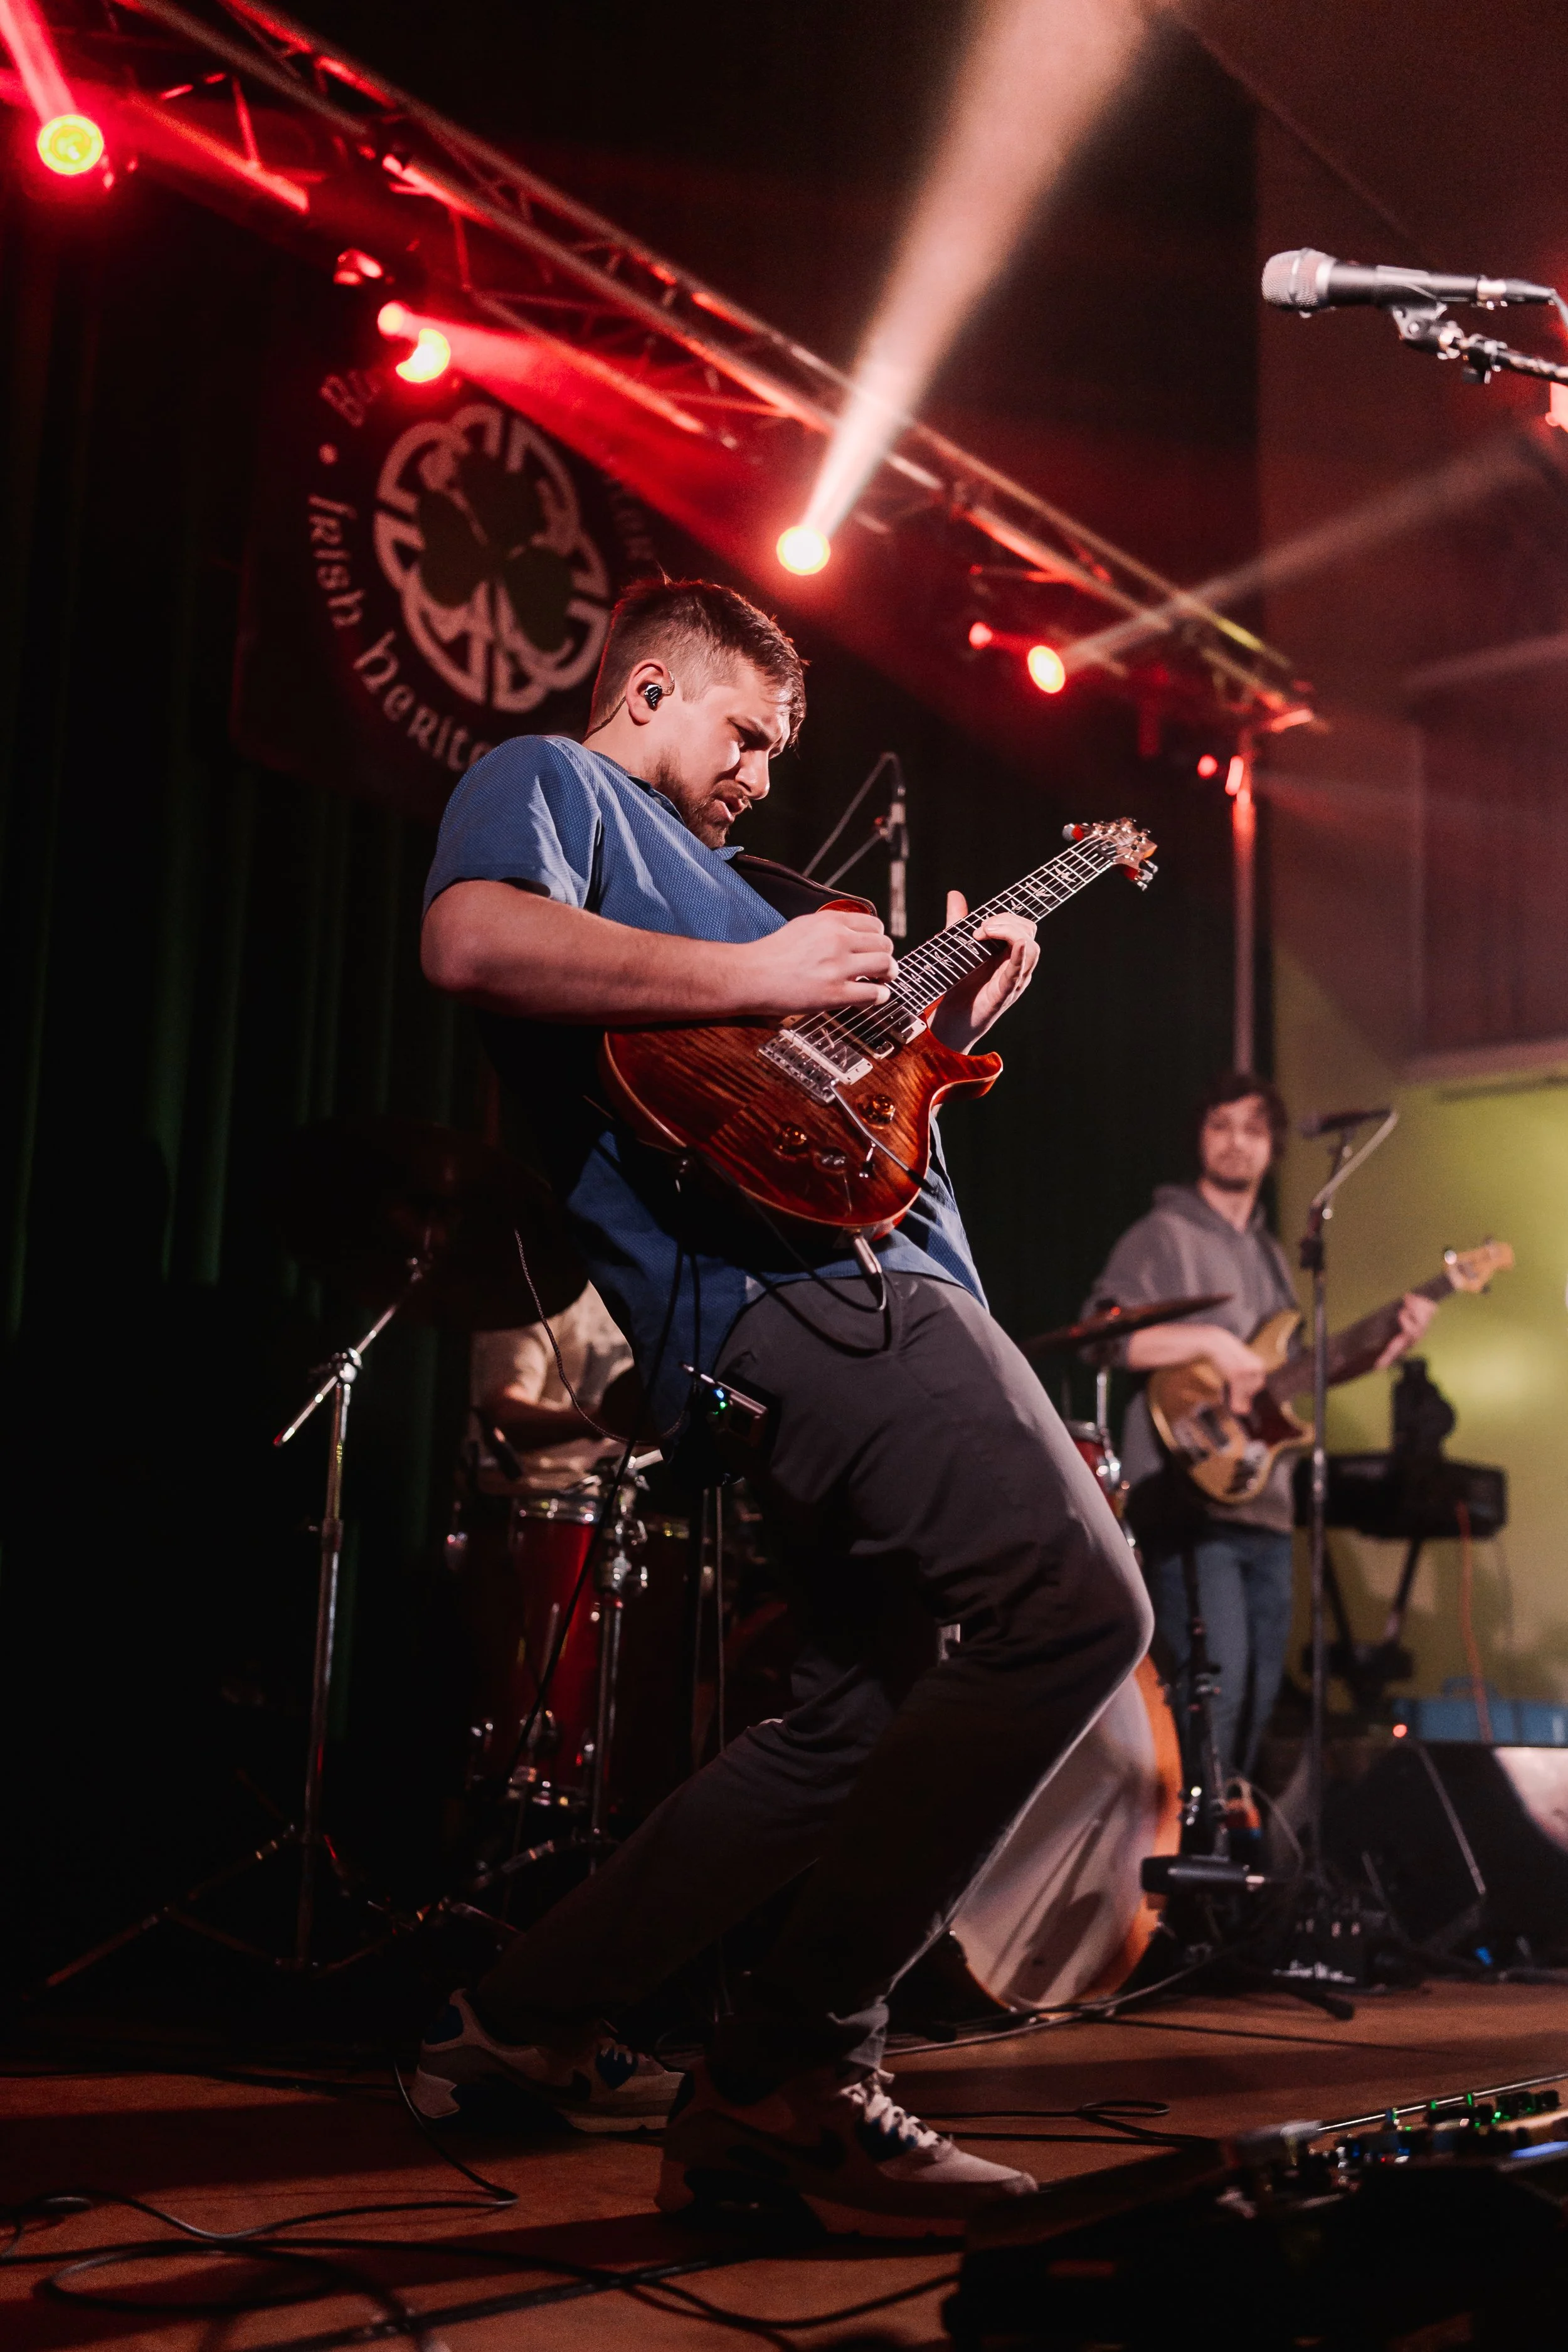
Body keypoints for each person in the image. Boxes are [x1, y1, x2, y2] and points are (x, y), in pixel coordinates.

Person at [411, 578, 1150, 2234]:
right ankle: (790, 2067)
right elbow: (469, 941)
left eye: (772, 752)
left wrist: (940, 1033)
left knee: (850, 1723)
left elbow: (820, 1086)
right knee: (1076, 1604)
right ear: (650, 691)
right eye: (743, 735)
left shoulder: (752, 900)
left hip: (858, 1283)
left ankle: (521, 2017)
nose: (756, 776)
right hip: (814, 1296)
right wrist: (754, 968)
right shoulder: (555, 782)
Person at [1084, 1073, 1435, 1783]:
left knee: (1259, 1703)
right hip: (1187, 1495)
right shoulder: (1162, 1234)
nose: (1236, 1142)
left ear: (1272, 1146)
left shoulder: (1274, 1256)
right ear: (1198, 1138)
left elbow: (1289, 1381)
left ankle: (1226, 1840)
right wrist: (1212, 1344)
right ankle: (1183, 1842)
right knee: (1215, 1689)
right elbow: (1102, 1339)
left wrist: (1382, 1348)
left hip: (1266, 1503)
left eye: (1252, 1128)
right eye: (1220, 1125)